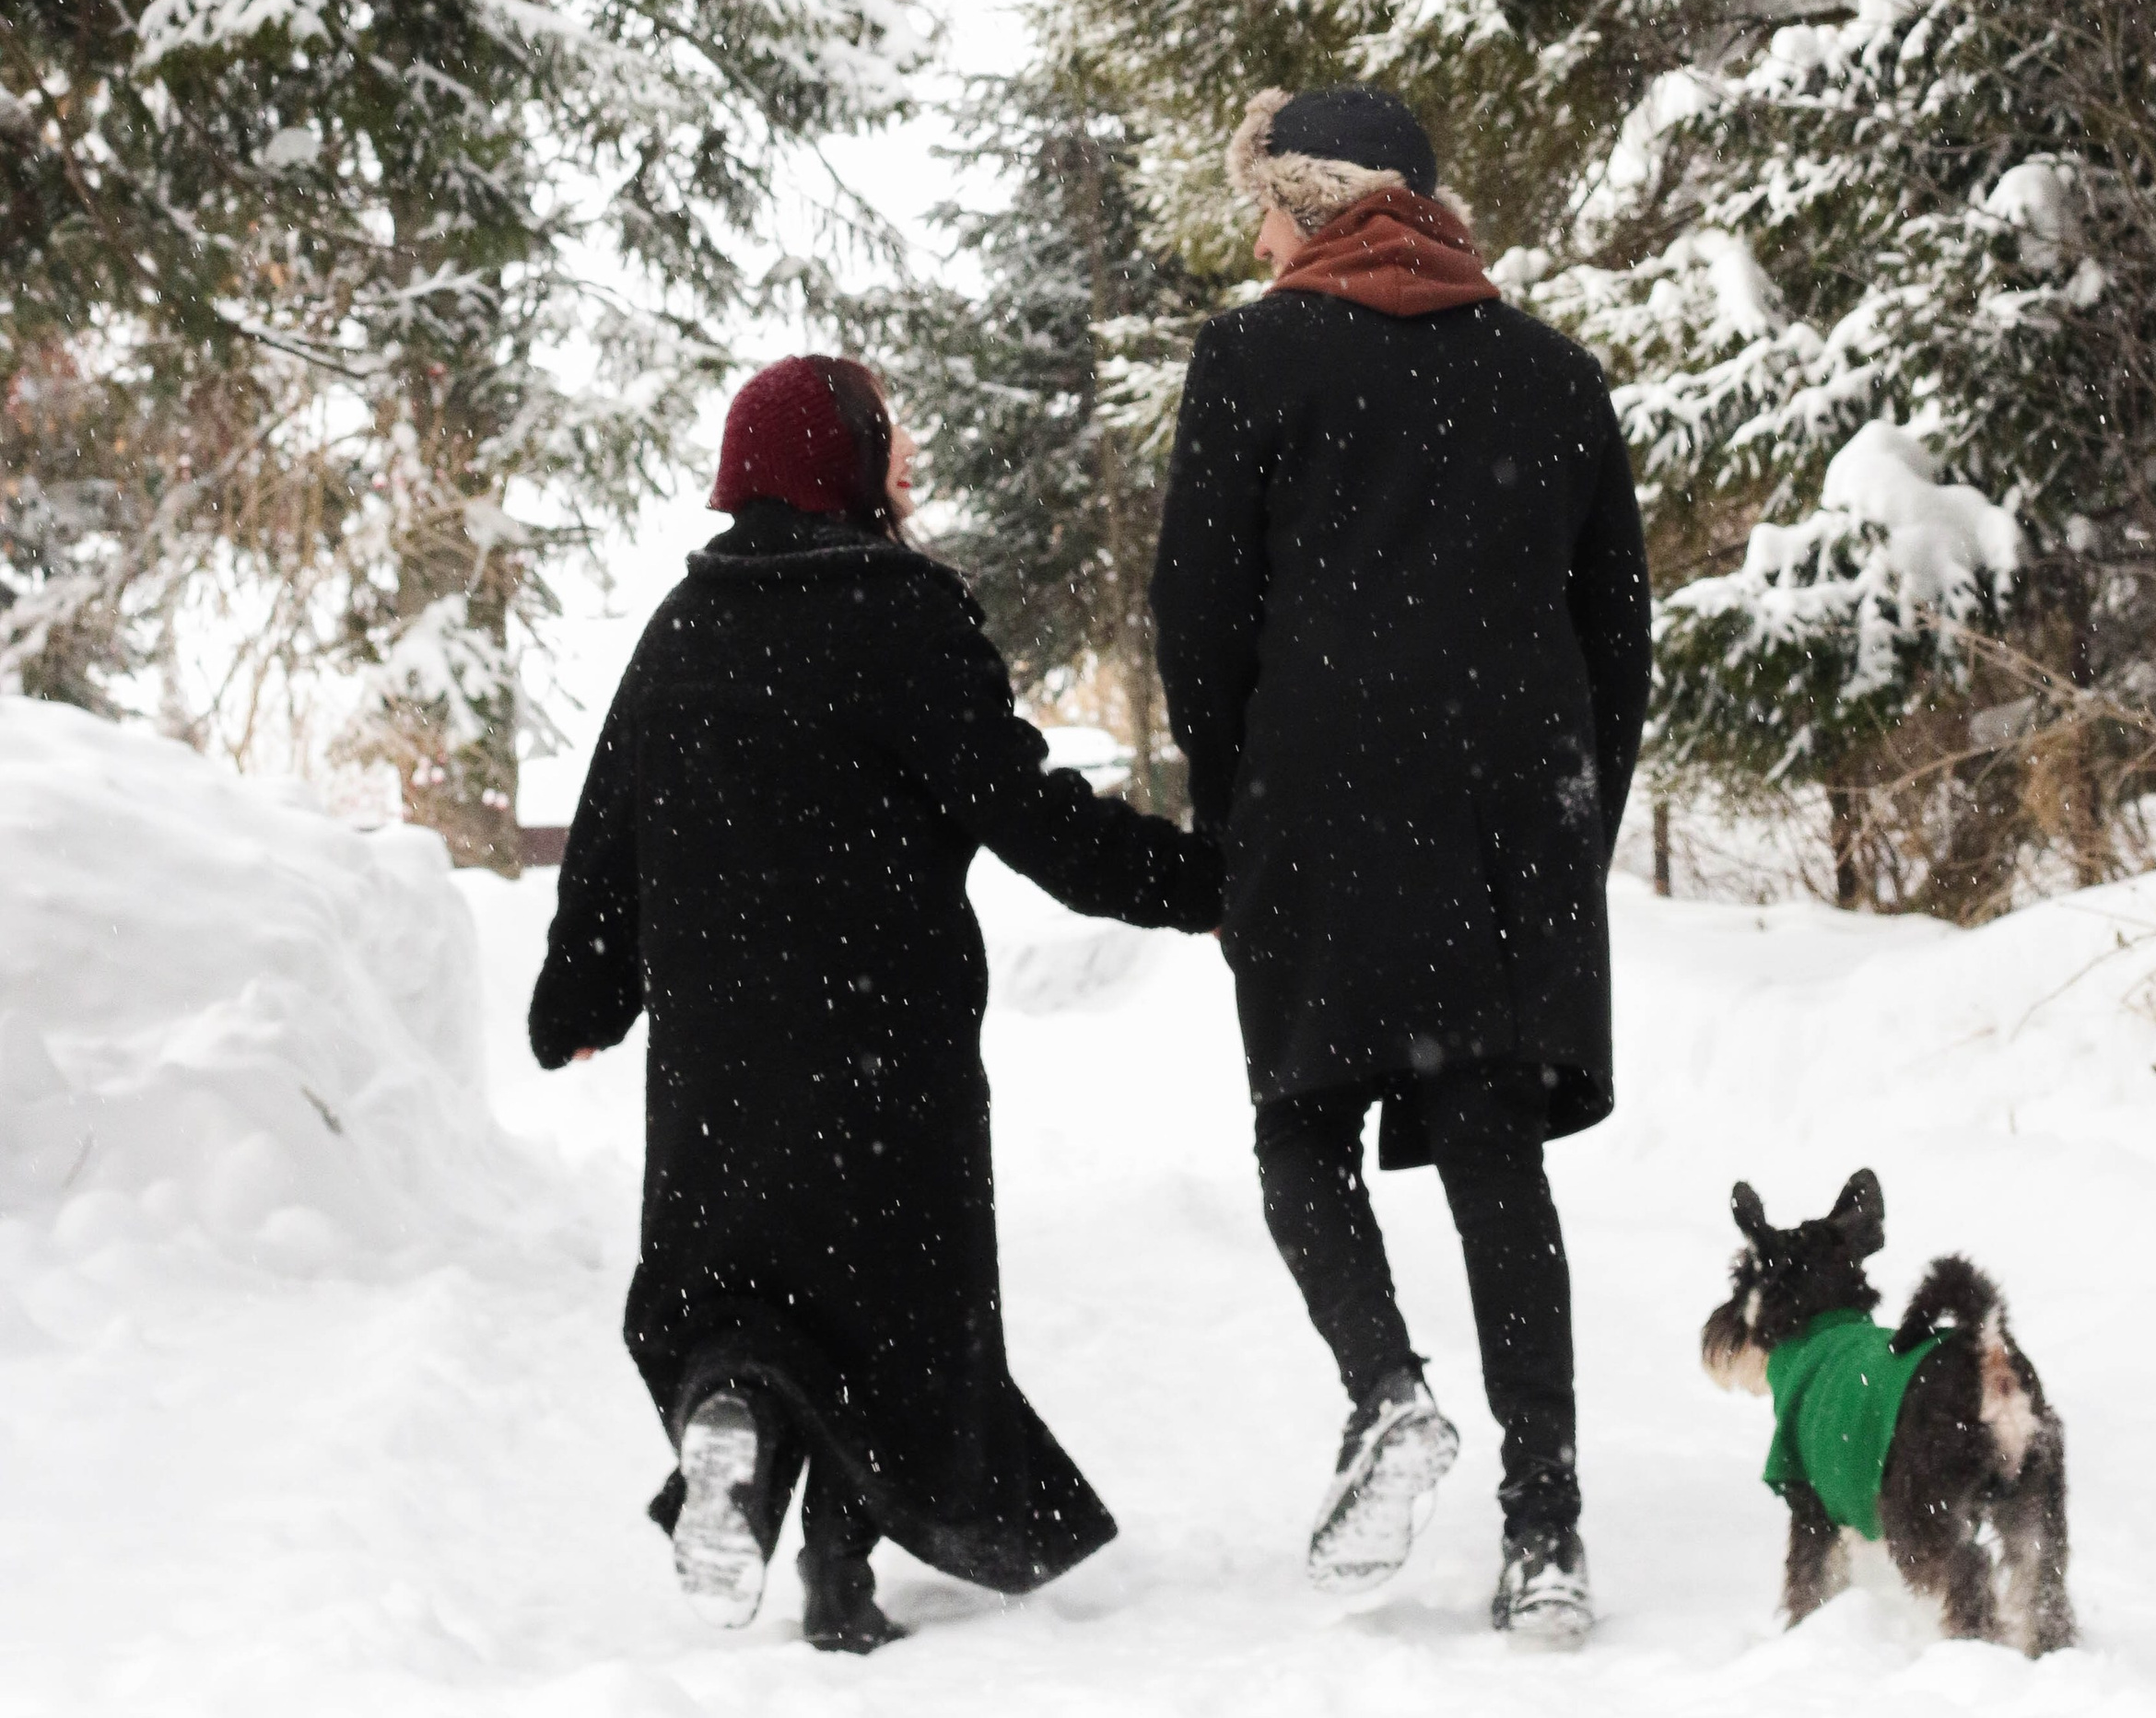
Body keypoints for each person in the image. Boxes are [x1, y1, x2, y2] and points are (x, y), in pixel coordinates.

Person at [531, 354, 1221, 1651]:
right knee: (888, 1312)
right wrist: (1209, 883)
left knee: (747, 1295)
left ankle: (728, 1409)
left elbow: (610, 830)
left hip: (720, 1054)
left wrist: (581, 992)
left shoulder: (685, 625)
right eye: (887, 435)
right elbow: (1035, 818)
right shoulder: (904, 611)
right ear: (837, 456)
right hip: (883, 1040)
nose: (904, 459)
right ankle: (840, 1583)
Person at [1150, 86, 1652, 1641]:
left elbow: (1196, 616)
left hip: (1317, 802)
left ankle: (1385, 1390)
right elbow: (1616, 639)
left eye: (1265, 205)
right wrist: (1570, 816)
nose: (1254, 237)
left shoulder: (1251, 359)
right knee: (1495, 1160)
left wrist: (1243, 809)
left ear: (1310, 201)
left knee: (1304, 1127)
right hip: (1510, 826)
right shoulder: (1553, 376)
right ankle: (1548, 1529)